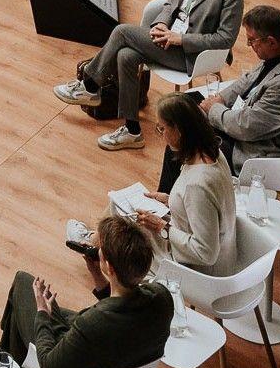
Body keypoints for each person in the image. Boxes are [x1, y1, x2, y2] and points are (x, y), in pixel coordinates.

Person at [53, 0, 244, 151]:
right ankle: (132, 131)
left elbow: (225, 38)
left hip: (190, 52)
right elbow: (172, 3)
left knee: (122, 31)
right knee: (125, 56)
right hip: (169, 38)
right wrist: (161, 24)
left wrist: (180, 39)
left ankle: (91, 85)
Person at [72, 93, 240, 280]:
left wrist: (161, 226)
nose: (161, 136)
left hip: (192, 267)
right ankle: (93, 244)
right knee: (119, 206)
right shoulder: (213, 152)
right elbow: (206, 206)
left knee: (121, 216)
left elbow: (205, 253)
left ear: (179, 131)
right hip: (205, 242)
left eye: (162, 129)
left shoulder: (197, 185)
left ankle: (95, 248)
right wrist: (170, 200)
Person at [0, 216, 173, 368]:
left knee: (23, 283)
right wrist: (97, 274)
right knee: (18, 315)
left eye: (100, 251)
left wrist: (42, 314)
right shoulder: (162, 297)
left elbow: (49, 367)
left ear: (110, 267)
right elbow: (125, 306)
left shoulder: (93, 323)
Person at [193, 4, 280, 181]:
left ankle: (174, 201)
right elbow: (248, 80)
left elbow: (246, 127)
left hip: (266, 150)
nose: (249, 45)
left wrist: (214, 110)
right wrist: (220, 99)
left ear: (271, 41)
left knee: (187, 139)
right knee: (187, 106)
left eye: (252, 40)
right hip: (257, 127)